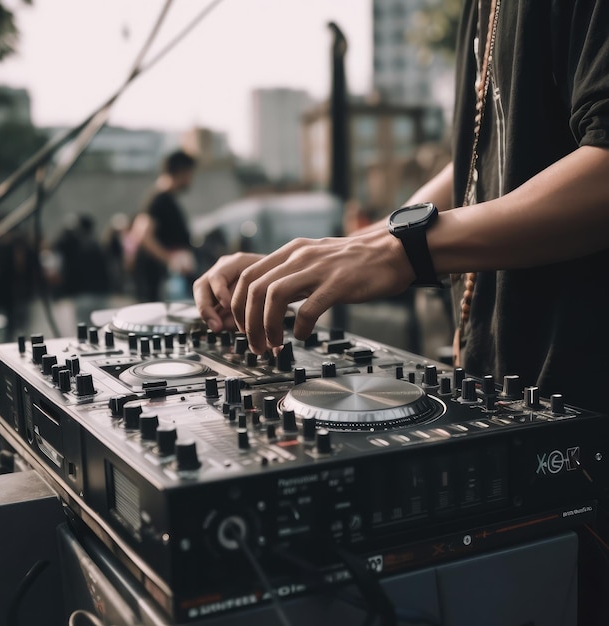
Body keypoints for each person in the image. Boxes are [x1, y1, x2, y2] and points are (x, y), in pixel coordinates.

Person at [194, 1, 609, 417]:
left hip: (585, 410)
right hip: (507, 393)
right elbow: (477, 164)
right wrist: (320, 259)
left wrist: (404, 250)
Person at [131, 149, 197, 302]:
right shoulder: (159, 199)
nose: (191, 179)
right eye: (190, 174)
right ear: (181, 172)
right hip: (160, 281)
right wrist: (172, 261)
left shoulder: (164, 198)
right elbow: (143, 236)